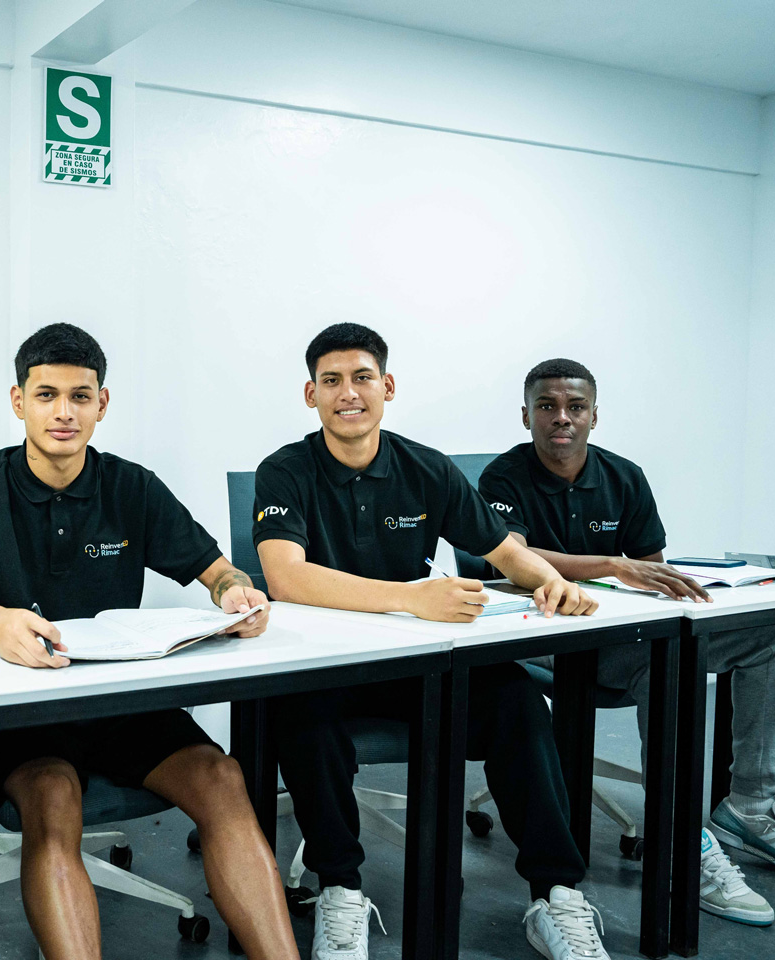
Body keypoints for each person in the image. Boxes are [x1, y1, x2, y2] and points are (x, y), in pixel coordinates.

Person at [0, 323, 299, 960]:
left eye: (80, 396)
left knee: (222, 777)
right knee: (54, 794)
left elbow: (218, 570)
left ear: (101, 404)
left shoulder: (131, 486)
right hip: (23, 714)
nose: (64, 412)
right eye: (47, 395)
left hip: (120, 702)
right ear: (18, 401)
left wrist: (236, 593)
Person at [253, 323, 606, 960]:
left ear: (387, 386)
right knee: (301, 718)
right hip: (325, 669)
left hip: (416, 669)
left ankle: (556, 894)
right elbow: (285, 577)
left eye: (362, 378)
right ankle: (339, 889)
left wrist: (552, 581)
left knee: (519, 702)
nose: (348, 393)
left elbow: (503, 551)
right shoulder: (284, 470)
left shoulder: (427, 468)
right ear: (311, 395)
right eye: (331, 381)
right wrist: (413, 597)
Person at [478, 357, 775, 926]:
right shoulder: (502, 477)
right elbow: (512, 559)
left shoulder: (625, 476)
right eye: (547, 406)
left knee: (772, 635)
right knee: (663, 662)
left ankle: (752, 806)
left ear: (594, 416)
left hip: (617, 634)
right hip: (541, 637)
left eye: (576, 407)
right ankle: (681, 838)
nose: (562, 417)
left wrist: (661, 581)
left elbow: (652, 574)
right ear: (526, 415)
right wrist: (612, 564)